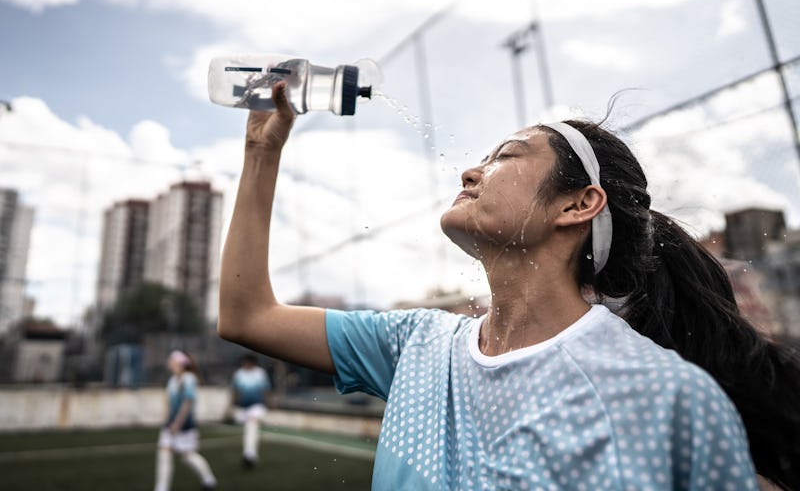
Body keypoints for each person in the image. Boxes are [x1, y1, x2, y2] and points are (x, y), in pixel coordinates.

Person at [218, 81, 800, 490]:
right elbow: (247, 316)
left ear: (578, 204)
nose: (470, 171)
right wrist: (260, 152)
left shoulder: (670, 400)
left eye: (505, 156)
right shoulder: (415, 345)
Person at [154, 350, 217, 491]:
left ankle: (208, 479)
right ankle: (161, 487)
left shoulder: (189, 379)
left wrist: (177, 423)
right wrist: (166, 420)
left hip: (185, 426)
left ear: (179, 363)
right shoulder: (172, 380)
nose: (169, 363)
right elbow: (169, 403)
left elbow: (187, 402)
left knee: (188, 456)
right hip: (170, 425)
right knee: (164, 452)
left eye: (172, 360)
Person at [230, 352, 272, 468]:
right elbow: (235, 390)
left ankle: (249, 456)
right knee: (248, 430)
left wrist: (269, 403)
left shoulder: (260, 373)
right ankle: (249, 455)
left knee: (251, 427)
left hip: (256, 406)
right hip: (243, 407)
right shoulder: (239, 374)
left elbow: (265, 389)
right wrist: (231, 405)